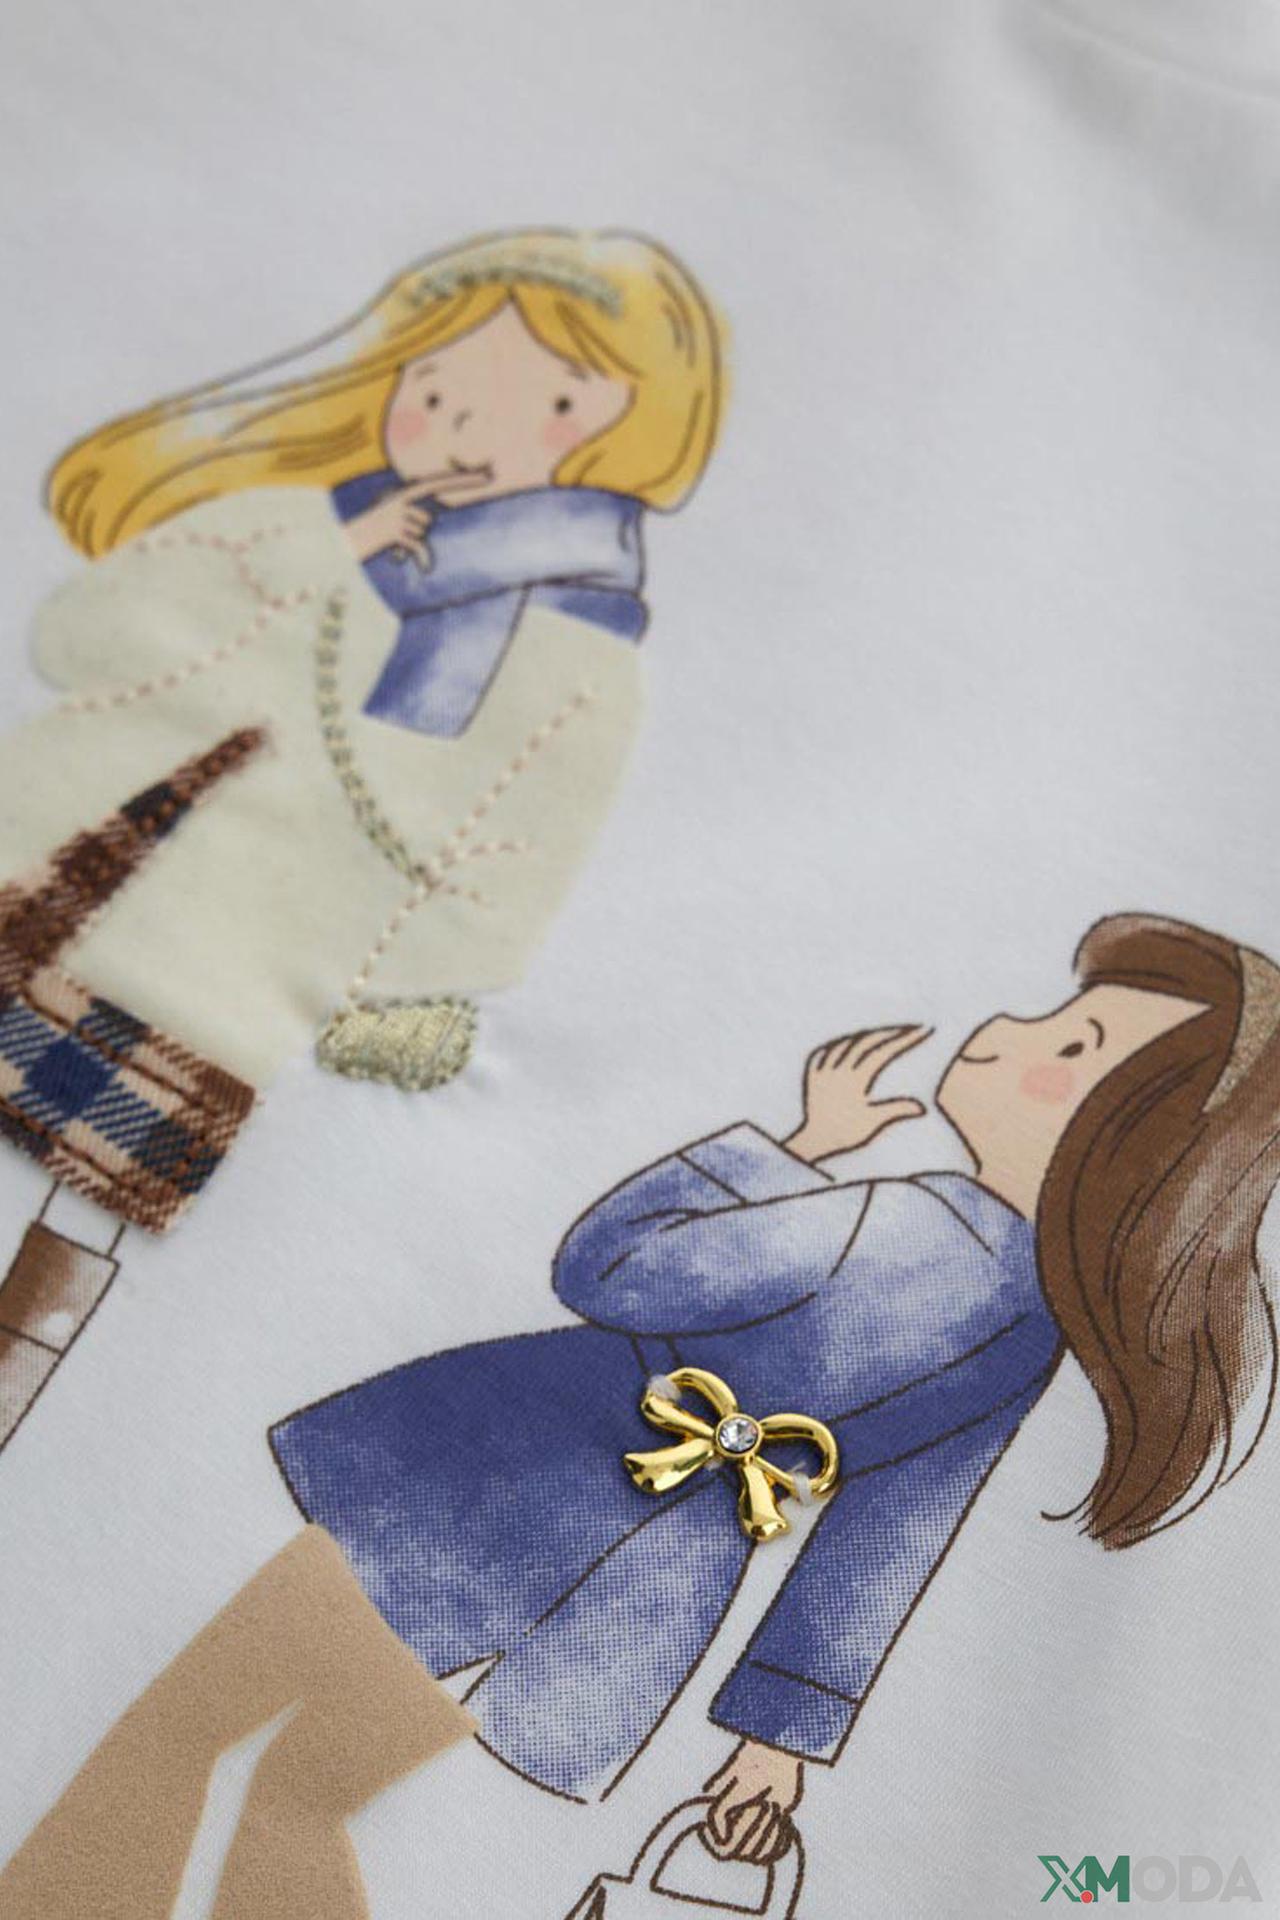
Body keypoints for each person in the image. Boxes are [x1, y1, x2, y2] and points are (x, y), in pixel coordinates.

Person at [4, 913, 1276, 1916]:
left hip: (490, 1482)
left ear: (1126, 1152)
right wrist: (778, 1738)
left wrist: (790, 1148)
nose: (1007, 1028)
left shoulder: (892, 1220)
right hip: (651, 1584)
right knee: (309, 1795)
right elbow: (886, 1536)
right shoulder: (1027, 1333)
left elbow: (608, 1267)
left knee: (183, 1734)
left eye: (1071, 1048)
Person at [0, 226, 725, 1449]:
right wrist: (327, 544)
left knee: (66, 1233)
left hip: (209, 983)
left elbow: (511, 879)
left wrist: (365, 973)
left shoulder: (580, 656)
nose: (453, 421)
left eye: (527, 397)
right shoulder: (295, 526)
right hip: (35, 860)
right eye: (430, 383)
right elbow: (80, 635)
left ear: (611, 418)